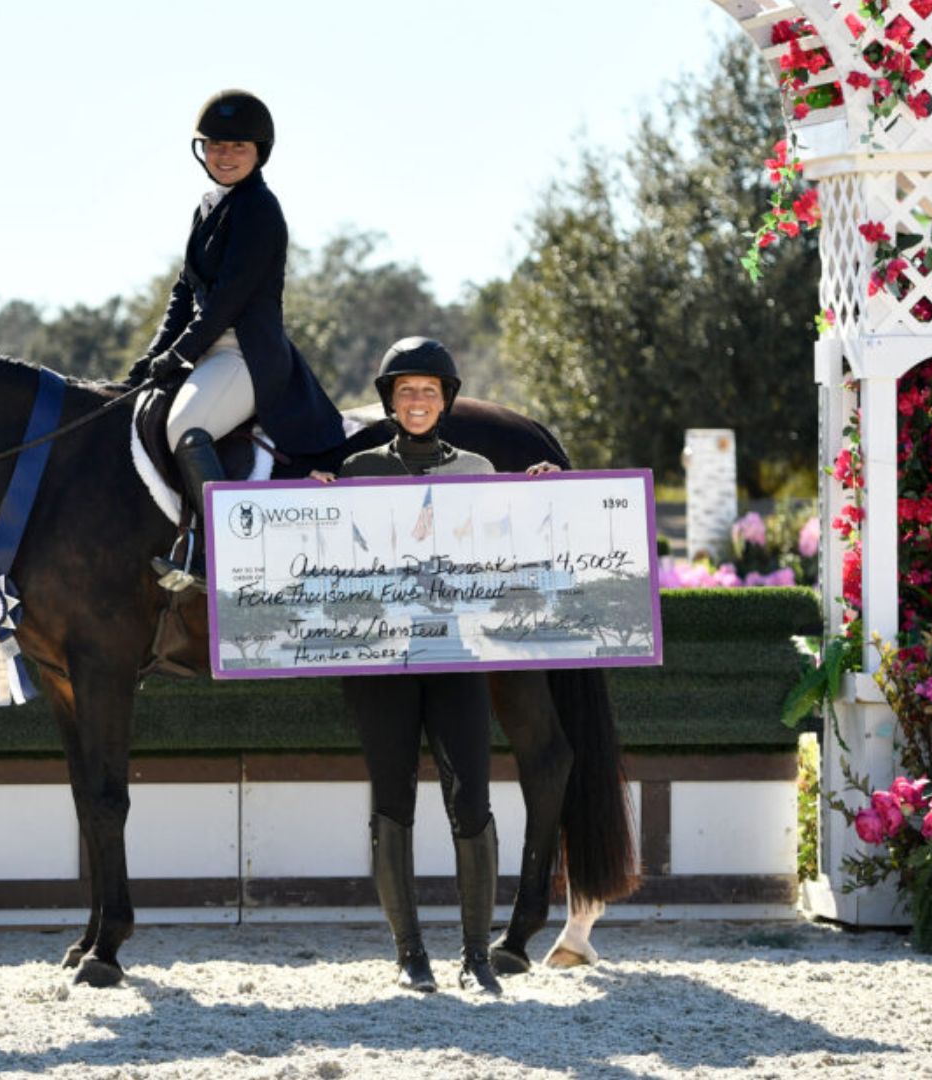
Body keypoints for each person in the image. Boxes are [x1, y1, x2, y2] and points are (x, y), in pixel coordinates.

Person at [311, 337, 559, 994]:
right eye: (404, 391)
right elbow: (334, 557)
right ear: (390, 401)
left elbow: (507, 541)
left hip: (457, 653)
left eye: (428, 390)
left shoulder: (478, 468)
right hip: (380, 660)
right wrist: (313, 506)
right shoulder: (358, 470)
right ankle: (409, 953)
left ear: (445, 399)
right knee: (392, 800)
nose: (416, 401)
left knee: (470, 799)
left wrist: (534, 495)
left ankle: (477, 955)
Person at [132, 88, 344, 589]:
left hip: (246, 353)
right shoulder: (208, 205)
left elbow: (228, 298)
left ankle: (218, 552)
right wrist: (154, 356)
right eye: (215, 146)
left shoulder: (260, 209)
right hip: (207, 349)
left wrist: (180, 353)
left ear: (258, 153)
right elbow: (185, 290)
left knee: (187, 425)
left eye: (238, 147)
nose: (224, 156)